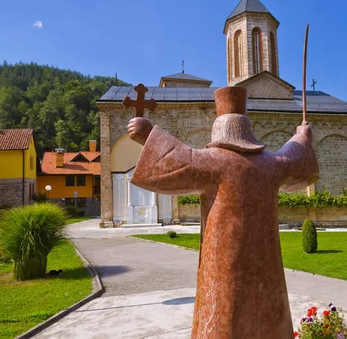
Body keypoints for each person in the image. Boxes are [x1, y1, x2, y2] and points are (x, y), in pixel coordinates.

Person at [127, 86, 319, 339]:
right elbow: (295, 157)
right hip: (266, 264)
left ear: (219, 128)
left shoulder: (213, 161)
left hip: (224, 262)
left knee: (223, 309)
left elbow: (177, 160)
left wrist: (148, 134)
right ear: (247, 129)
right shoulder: (272, 165)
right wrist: (302, 136)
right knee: (266, 308)